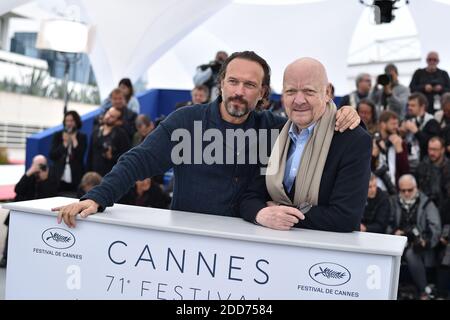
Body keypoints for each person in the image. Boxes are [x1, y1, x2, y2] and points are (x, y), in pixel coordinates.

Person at [53, 51, 360, 228]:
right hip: (189, 246)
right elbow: (138, 160)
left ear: (263, 93)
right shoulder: (186, 122)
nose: (239, 91)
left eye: (250, 85)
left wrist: (344, 113)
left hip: (252, 248)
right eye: (233, 81)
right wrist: (97, 197)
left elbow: (314, 120)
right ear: (221, 84)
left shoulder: (275, 128)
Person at [239, 57, 371, 232]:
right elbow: (250, 196)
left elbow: (345, 216)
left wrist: (280, 213)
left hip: (324, 254)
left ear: (328, 92)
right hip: (270, 248)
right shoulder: (273, 136)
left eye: (308, 91)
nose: (299, 100)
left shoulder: (353, 139)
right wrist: (261, 213)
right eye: (291, 91)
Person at [389, 174, 441, 300]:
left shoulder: (426, 203)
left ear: (416, 187)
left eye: (410, 190)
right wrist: (393, 233)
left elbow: (436, 228)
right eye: (403, 190)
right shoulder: (393, 202)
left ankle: (424, 291)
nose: (406, 193)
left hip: (420, 247)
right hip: (397, 242)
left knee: (412, 253)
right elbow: (387, 223)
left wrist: (425, 241)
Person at [49, 111, 87, 196]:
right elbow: (52, 155)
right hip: (59, 174)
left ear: (76, 122)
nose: (69, 123)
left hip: (75, 175)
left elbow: (80, 156)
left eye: (72, 121)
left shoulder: (82, 137)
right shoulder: (58, 135)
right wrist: (64, 144)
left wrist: (74, 141)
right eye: (67, 121)